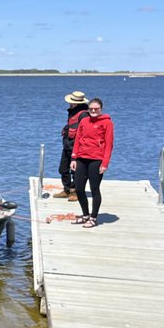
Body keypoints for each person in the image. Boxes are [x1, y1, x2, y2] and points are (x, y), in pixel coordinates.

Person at [70, 97, 114, 228]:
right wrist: (74, 157)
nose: (93, 111)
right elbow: (78, 139)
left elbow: (109, 145)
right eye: (91, 109)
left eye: (96, 109)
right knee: (79, 188)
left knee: (94, 189)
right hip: (81, 158)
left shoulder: (107, 123)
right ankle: (85, 215)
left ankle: (93, 218)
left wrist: (105, 163)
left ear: (101, 109)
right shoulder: (84, 121)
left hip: (96, 160)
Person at [55, 91, 90, 201]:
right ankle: (67, 189)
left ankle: (76, 192)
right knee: (62, 169)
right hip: (67, 145)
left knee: (76, 171)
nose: (70, 104)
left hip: (77, 148)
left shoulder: (84, 114)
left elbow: (85, 131)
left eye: (72, 102)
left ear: (78, 103)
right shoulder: (72, 111)